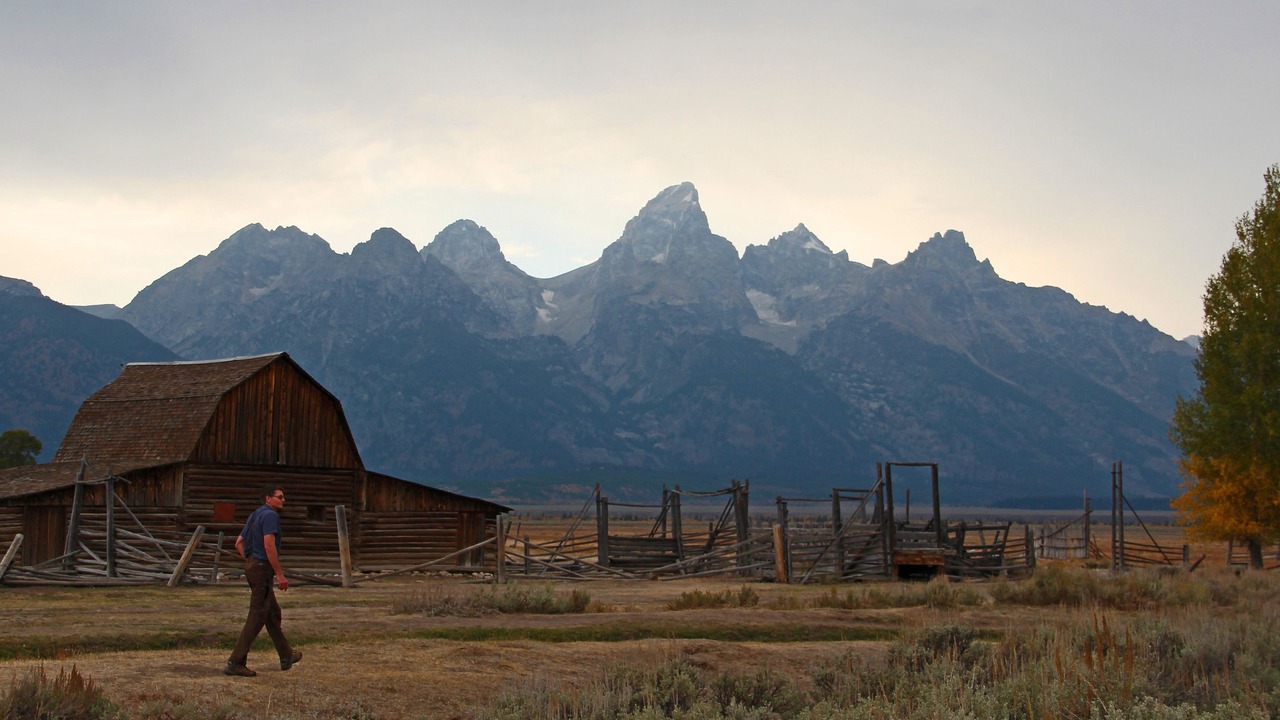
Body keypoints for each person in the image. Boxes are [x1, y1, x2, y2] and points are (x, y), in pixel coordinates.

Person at [224, 484, 302, 677]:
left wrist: (250, 560)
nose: (283, 500)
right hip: (261, 568)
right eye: (280, 497)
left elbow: (238, 543)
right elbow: (269, 545)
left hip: (252, 565)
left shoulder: (255, 515)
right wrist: (279, 574)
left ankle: (286, 655)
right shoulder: (270, 516)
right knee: (258, 615)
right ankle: (236, 661)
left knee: (272, 613)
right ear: (268, 498)